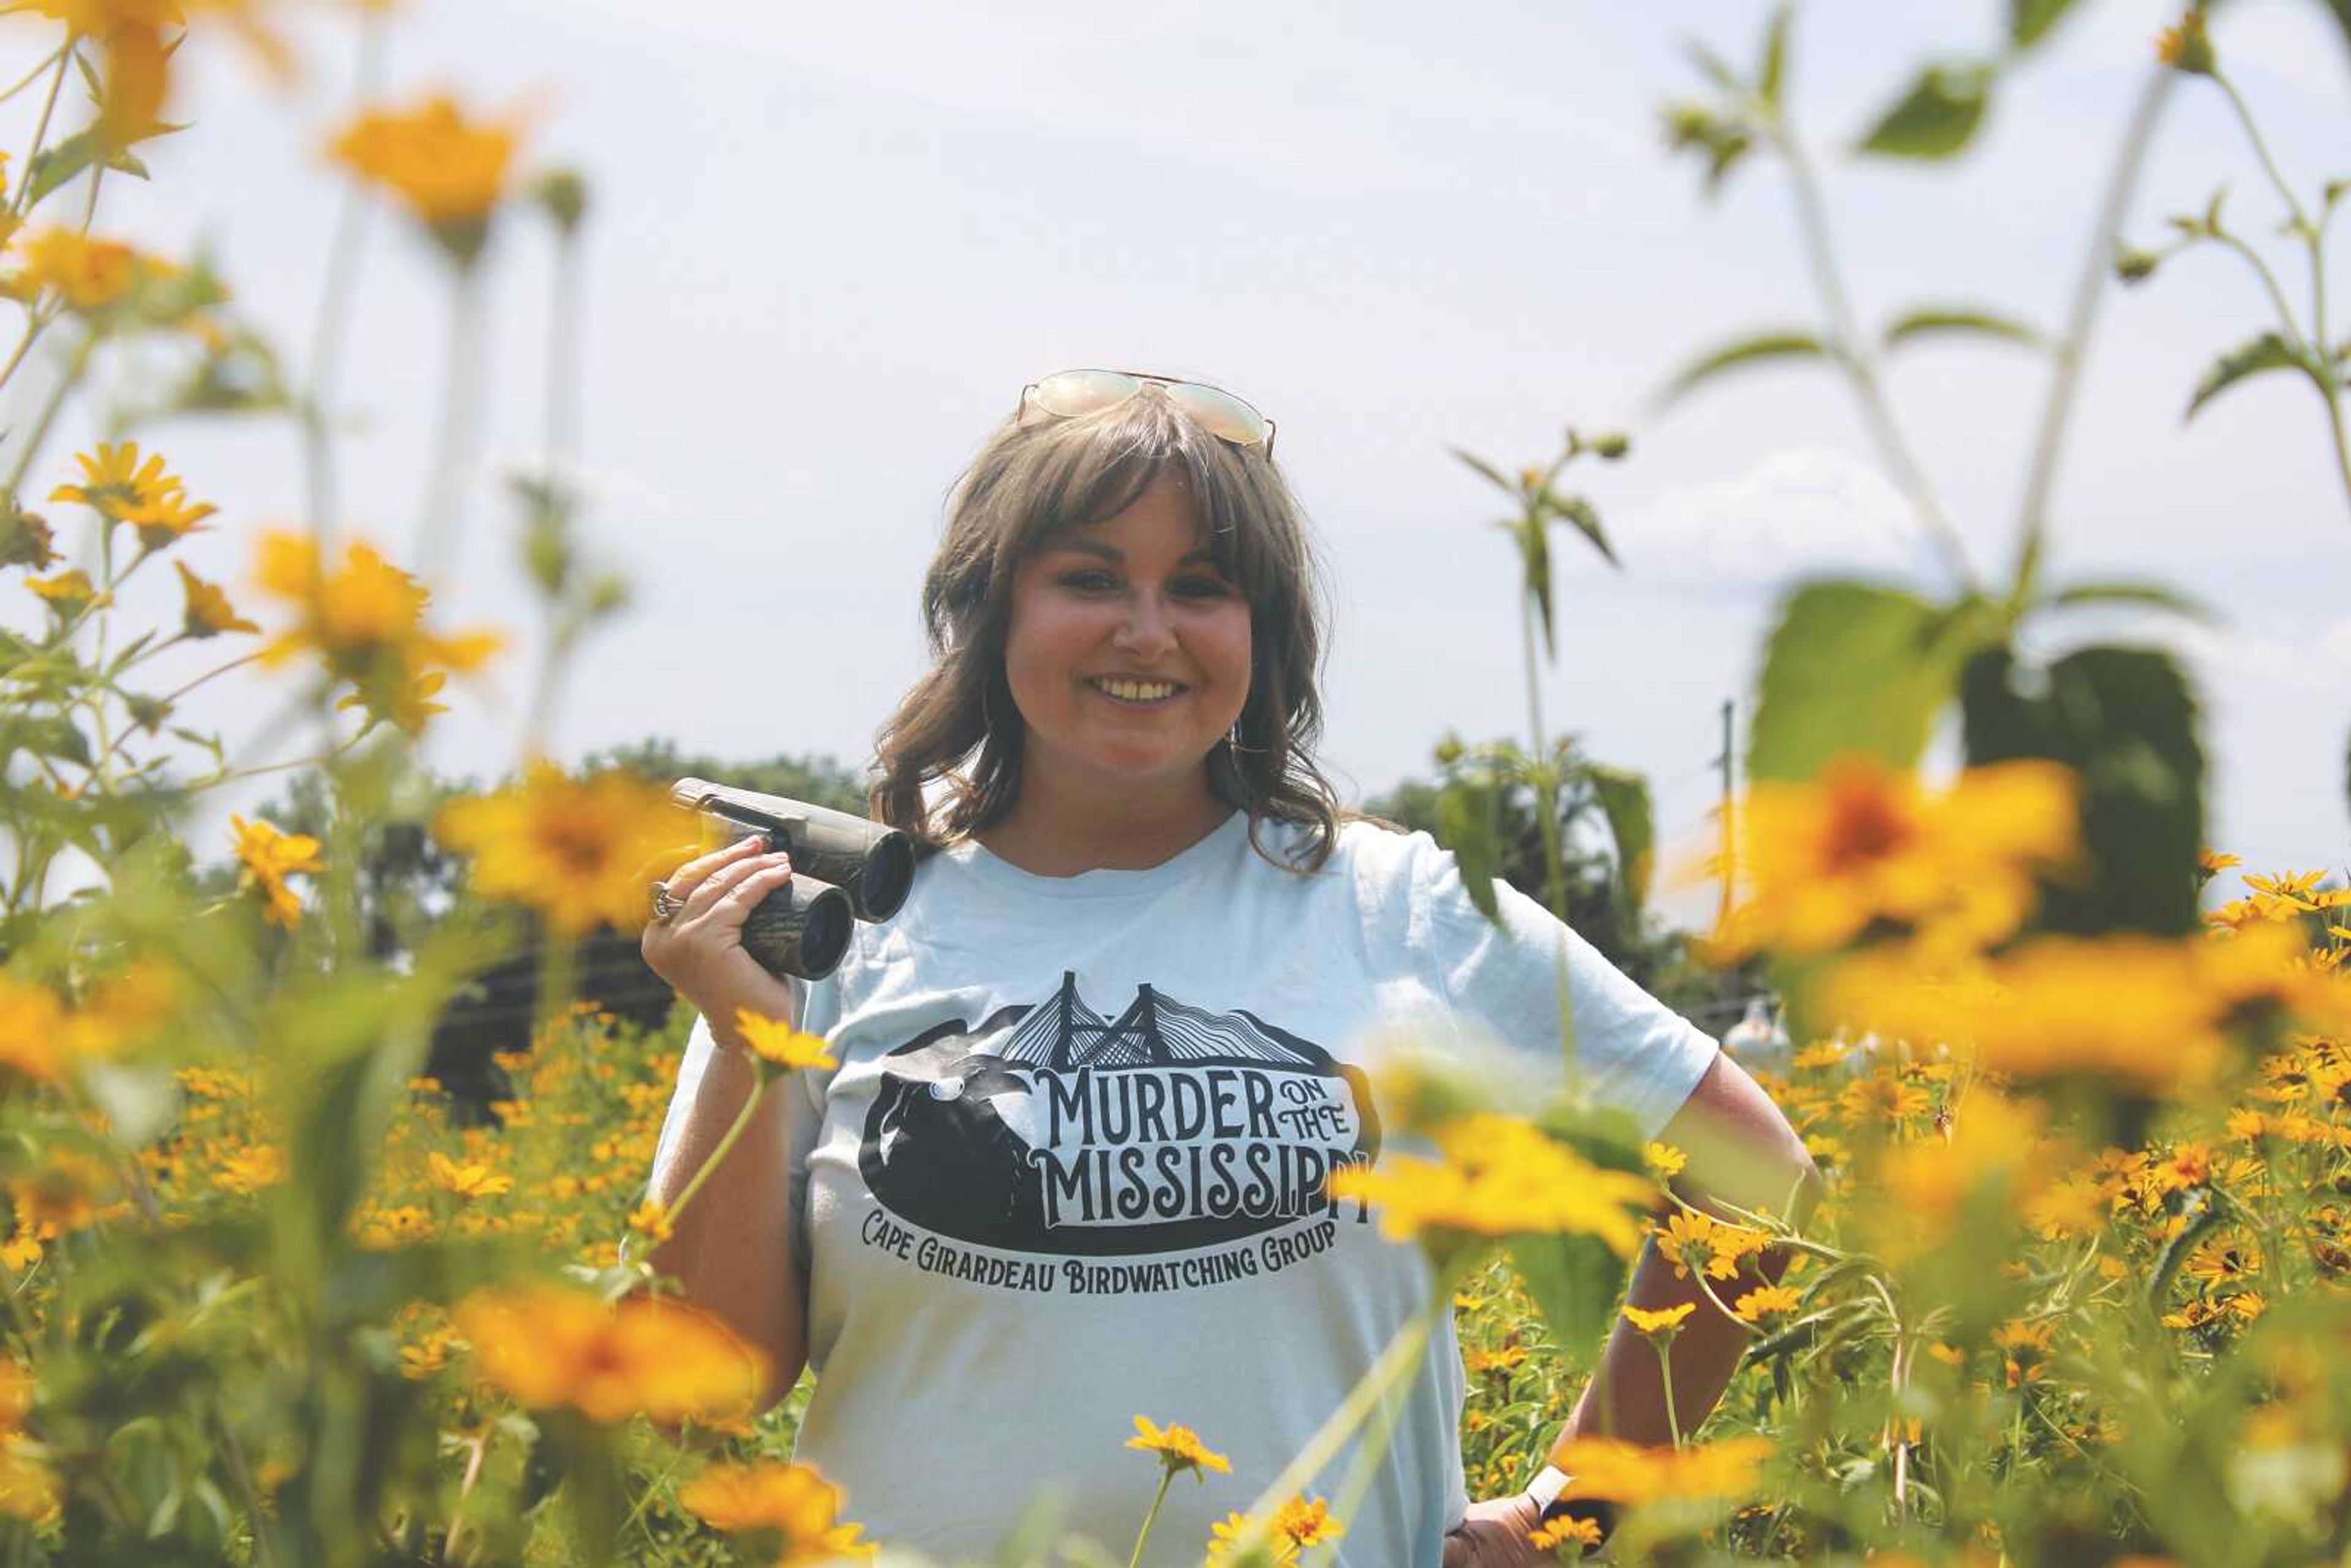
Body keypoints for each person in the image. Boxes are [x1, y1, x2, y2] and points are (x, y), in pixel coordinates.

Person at [639, 368, 1816, 1567]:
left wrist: (1564, 1518)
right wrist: (744, 1037)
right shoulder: (846, 922)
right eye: (1090, 578)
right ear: (993, 613)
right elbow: (705, 1385)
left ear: (1266, 634)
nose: (1146, 630)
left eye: (1200, 588)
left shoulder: (1400, 910)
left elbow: (1754, 1175)